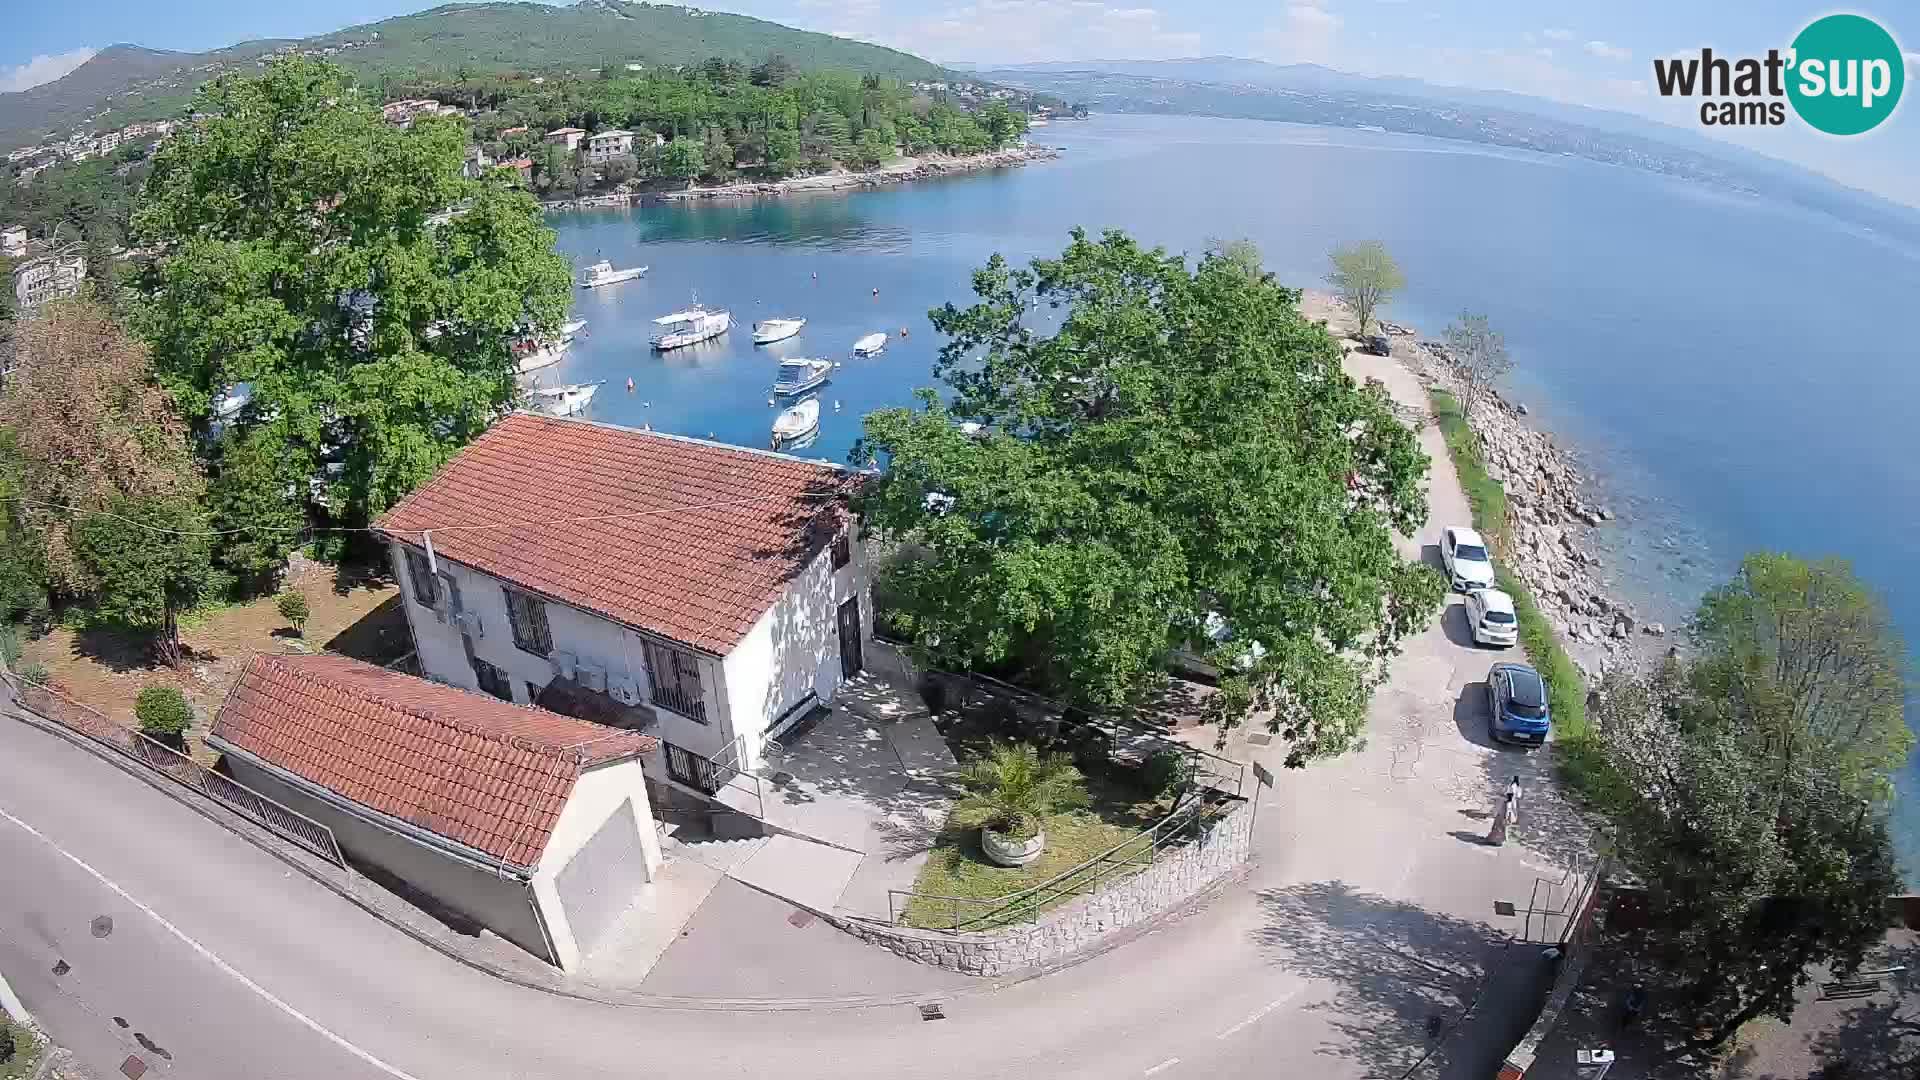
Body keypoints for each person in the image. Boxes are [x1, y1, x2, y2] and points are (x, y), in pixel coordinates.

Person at [1488, 775, 1522, 845]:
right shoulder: (1517, 788)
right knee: (1502, 825)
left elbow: (1508, 801)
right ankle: (1499, 840)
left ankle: (1496, 840)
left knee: (1499, 824)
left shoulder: (1510, 789)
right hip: (1509, 807)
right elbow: (1518, 796)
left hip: (1505, 808)